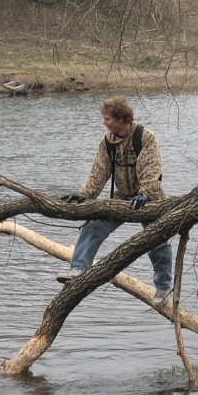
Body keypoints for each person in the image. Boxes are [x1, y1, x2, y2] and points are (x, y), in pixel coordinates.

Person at [57, 96, 173, 306]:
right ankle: (78, 268)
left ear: (121, 119)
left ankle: (164, 286)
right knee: (93, 227)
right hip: (122, 198)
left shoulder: (145, 137)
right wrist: (85, 194)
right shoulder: (108, 142)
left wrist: (145, 194)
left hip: (149, 199)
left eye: (107, 119)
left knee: (157, 242)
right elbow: (98, 171)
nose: (105, 123)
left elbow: (152, 169)